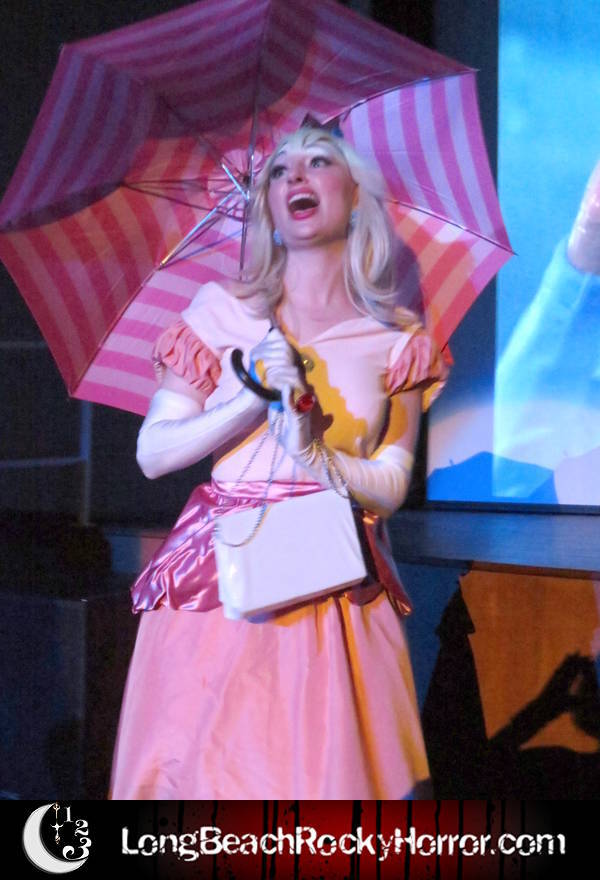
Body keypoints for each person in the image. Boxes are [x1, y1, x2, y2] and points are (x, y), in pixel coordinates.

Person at [109, 125, 448, 799]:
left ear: (355, 195)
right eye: (279, 170)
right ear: (266, 204)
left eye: (318, 161)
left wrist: (314, 453)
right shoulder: (220, 312)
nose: (296, 175)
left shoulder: (396, 338)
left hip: (333, 588)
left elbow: (391, 485)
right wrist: (249, 401)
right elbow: (153, 453)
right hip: (221, 587)